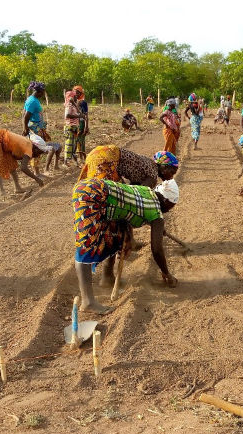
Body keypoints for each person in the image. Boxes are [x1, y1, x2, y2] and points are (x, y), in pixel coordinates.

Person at [72, 178, 180, 313]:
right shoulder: (157, 214)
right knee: (86, 246)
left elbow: (129, 207)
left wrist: (156, 227)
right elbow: (157, 249)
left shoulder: (146, 191)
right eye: (171, 206)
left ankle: (107, 277)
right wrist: (166, 273)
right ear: (166, 201)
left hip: (92, 187)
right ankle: (88, 302)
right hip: (92, 195)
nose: (169, 211)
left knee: (114, 237)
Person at [78, 146, 179, 189]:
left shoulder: (147, 162)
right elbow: (139, 194)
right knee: (109, 194)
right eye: (172, 172)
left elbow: (133, 185)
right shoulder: (153, 176)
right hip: (107, 159)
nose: (172, 176)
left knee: (91, 186)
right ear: (164, 167)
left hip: (99, 151)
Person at [0, 129, 45, 197]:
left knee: (12, 164)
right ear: (36, 148)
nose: (38, 155)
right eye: (39, 152)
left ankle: (17, 188)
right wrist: (37, 179)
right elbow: (23, 168)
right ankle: (1, 191)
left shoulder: (28, 144)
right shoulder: (29, 148)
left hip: (5, 142)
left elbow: (16, 156)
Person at [23, 81, 60, 174]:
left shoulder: (33, 99)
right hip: (34, 129)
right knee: (36, 151)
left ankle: (44, 169)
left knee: (44, 149)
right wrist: (25, 129)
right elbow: (25, 116)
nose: (44, 94)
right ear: (39, 91)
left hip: (38, 128)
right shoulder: (32, 101)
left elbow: (24, 113)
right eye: (43, 92)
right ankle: (37, 173)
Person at [63, 90, 82, 167]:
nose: (76, 97)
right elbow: (67, 115)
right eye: (74, 96)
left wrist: (74, 103)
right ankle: (66, 162)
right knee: (69, 144)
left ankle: (72, 161)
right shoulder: (69, 105)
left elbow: (78, 112)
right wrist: (79, 116)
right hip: (70, 127)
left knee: (73, 145)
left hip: (74, 127)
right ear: (71, 97)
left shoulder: (73, 105)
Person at [75, 86, 89, 162]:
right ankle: (80, 157)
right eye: (75, 92)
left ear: (81, 93)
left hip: (81, 123)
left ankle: (83, 157)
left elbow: (86, 115)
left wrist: (86, 126)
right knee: (77, 140)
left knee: (81, 140)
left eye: (78, 92)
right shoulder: (73, 102)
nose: (76, 94)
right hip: (75, 123)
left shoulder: (83, 102)